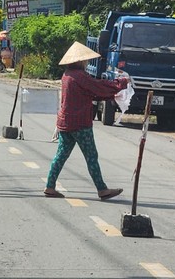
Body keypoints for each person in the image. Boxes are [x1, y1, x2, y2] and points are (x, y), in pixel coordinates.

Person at [43, 41, 129, 200]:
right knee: (91, 156)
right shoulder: (80, 76)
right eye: (86, 60)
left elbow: (92, 92)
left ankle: (50, 185)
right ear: (80, 61)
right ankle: (102, 189)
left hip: (65, 122)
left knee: (61, 155)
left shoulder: (67, 75)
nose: (87, 62)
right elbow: (98, 87)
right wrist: (121, 83)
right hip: (79, 123)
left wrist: (111, 91)